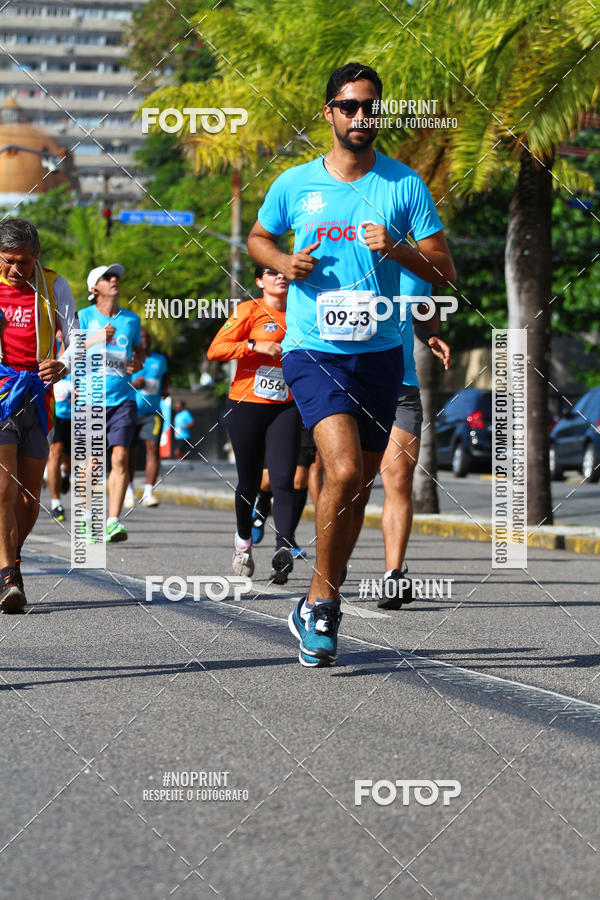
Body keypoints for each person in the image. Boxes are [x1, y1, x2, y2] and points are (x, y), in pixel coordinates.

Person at [248, 62, 456, 667]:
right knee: (339, 470)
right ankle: (320, 606)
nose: (361, 117)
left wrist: (393, 246)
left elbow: (444, 273)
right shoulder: (294, 183)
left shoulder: (404, 185)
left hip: (381, 354)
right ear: (329, 113)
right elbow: (260, 238)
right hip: (313, 349)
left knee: (358, 483)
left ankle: (322, 599)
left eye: (371, 107)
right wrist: (285, 264)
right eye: (350, 106)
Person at [0, 218, 78, 612]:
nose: (15, 270)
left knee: (30, 499)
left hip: (37, 396)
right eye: (8, 260)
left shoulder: (53, 285)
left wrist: (62, 364)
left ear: (36, 256)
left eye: (23, 262)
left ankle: (10, 557)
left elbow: (76, 338)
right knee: (3, 489)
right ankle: (8, 576)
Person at [207, 265, 302, 583]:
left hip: (287, 407)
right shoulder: (249, 310)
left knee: (283, 480)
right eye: (271, 273)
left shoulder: (303, 310)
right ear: (260, 281)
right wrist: (252, 346)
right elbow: (215, 350)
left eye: (284, 271)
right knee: (248, 482)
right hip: (246, 405)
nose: (280, 276)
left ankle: (283, 549)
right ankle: (243, 544)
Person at [378, 275, 451, 609]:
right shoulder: (342, 252)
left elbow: (424, 312)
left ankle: (393, 576)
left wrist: (431, 334)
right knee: (347, 474)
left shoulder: (415, 268)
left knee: (400, 477)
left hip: (402, 386)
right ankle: (334, 560)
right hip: (347, 382)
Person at [78, 263, 143, 542]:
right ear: (95, 288)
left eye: (116, 275)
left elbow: (139, 351)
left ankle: (113, 521)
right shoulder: (83, 316)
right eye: (107, 277)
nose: (114, 279)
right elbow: (68, 351)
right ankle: (86, 519)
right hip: (89, 399)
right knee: (92, 463)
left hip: (123, 399)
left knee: (120, 457)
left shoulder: (131, 320)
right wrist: (96, 338)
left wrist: (136, 363)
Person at [125, 328, 169, 509]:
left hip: (153, 413)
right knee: (128, 453)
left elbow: (165, 376)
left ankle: (148, 493)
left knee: (152, 449)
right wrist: (133, 384)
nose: (144, 340)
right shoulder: (127, 360)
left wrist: (165, 388)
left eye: (147, 337)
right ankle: (128, 490)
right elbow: (115, 381)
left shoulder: (160, 359)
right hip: (129, 411)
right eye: (141, 337)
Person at [47, 359, 72, 523]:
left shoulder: (81, 347)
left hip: (76, 414)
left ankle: (65, 474)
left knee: (69, 459)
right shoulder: (50, 347)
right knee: (55, 453)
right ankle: (56, 504)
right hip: (55, 413)